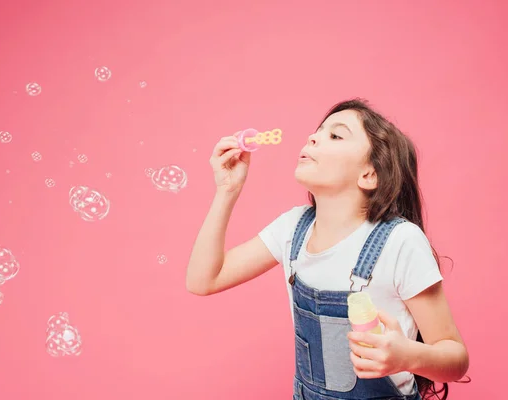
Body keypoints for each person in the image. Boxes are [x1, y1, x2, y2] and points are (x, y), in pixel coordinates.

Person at [185, 98, 470, 400]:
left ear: (369, 175)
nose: (313, 137)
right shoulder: (292, 228)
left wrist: (407, 356)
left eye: (335, 135)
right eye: (317, 132)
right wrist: (227, 190)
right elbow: (204, 280)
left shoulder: (401, 242)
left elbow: (455, 359)